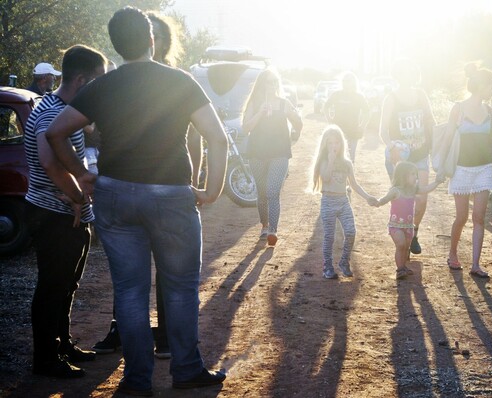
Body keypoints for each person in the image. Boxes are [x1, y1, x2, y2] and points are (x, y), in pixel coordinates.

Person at [45, 7, 228, 395]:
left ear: (116, 44)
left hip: (115, 194)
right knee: (180, 287)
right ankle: (186, 369)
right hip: (171, 195)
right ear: (151, 40)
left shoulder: (102, 86)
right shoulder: (180, 81)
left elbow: (55, 133)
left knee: (129, 290)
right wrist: (210, 191)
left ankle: (137, 380)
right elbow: (217, 137)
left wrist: (82, 173)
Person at [92, 11, 186, 358]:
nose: (155, 40)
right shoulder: (120, 82)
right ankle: (121, 333)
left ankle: (163, 337)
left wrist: (194, 180)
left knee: (167, 267)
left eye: (160, 35)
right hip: (125, 183)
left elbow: (196, 139)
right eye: (152, 34)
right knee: (128, 271)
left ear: (163, 42)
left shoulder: (177, 81)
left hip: (168, 184)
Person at [24, 45, 107, 378]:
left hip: (64, 214)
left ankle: (62, 344)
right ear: (83, 79)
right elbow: (48, 161)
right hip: (55, 214)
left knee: (66, 285)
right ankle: (46, 359)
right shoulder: (51, 113)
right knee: (52, 287)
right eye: (98, 82)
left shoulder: (62, 108)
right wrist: (76, 196)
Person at [437, 63, 492, 279]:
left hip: (484, 169)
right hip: (461, 168)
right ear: (482, 85)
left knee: (479, 218)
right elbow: (448, 136)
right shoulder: (458, 108)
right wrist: (440, 164)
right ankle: (452, 254)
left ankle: (476, 265)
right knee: (461, 217)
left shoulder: (489, 109)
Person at [379, 58, 436, 257]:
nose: (408, 76)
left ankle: (414, 233)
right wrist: (392, 146)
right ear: (397, 75)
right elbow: (383, 130)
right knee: (404, 199)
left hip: (421, 155)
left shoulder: (421, 95)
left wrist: (436, 142)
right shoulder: (391, 98)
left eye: (411, 72)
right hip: (400, 160)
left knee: (421, 200)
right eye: (404, 72)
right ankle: (401, 236)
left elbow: (430, 121)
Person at [242, 68, 303, 246]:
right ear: (262, 83)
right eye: (269, 82)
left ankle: (273, 231)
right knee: (261, 193)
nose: (273, 85)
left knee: (272, 191)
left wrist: (295, 125)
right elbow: (246, 128)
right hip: (257, 153)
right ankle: (264, 226)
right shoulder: (254, 103)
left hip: (279, 154)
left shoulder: (284, 103)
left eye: (275, 82)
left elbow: (299, 124)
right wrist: (260, 112)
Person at [312, 125, 378, 279]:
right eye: (330, 143)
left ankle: (344, 261)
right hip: (328, 201)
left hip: (343, 201)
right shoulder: (323, 161)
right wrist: (330, 161)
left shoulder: (347, 163)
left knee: (350, 232)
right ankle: (327, 266)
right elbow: (326, 178)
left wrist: (367, 197)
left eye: (337, 143)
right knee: (329, 236)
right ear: (325, 145)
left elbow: (354, 184)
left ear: (341, 144)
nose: (334, 146)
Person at [375, 162, 441, 279]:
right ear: (403, 175)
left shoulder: (413, 190)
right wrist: (377, 202)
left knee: (406, 247)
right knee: (400, 245)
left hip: (408, 226)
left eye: (416, 174)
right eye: (412, 174)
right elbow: (384, 199)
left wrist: (437, 182)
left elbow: (426, 189)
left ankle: (404, 266)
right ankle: (399, 269)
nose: (416, 177)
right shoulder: (395, 191)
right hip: (395, 225)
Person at [322, 71, 370, 163]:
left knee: (350, 157)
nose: (346, 83)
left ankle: (349, 175)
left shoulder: (358, 96)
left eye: (348, 81)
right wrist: (330, 120)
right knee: (335, 155)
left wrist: (362, 126)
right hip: (337, 131)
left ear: (354, 82)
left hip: (353, 131)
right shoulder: (336, 94)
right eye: (344, 80)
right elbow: (326, 107)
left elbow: (367, 112)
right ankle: (336, 176)